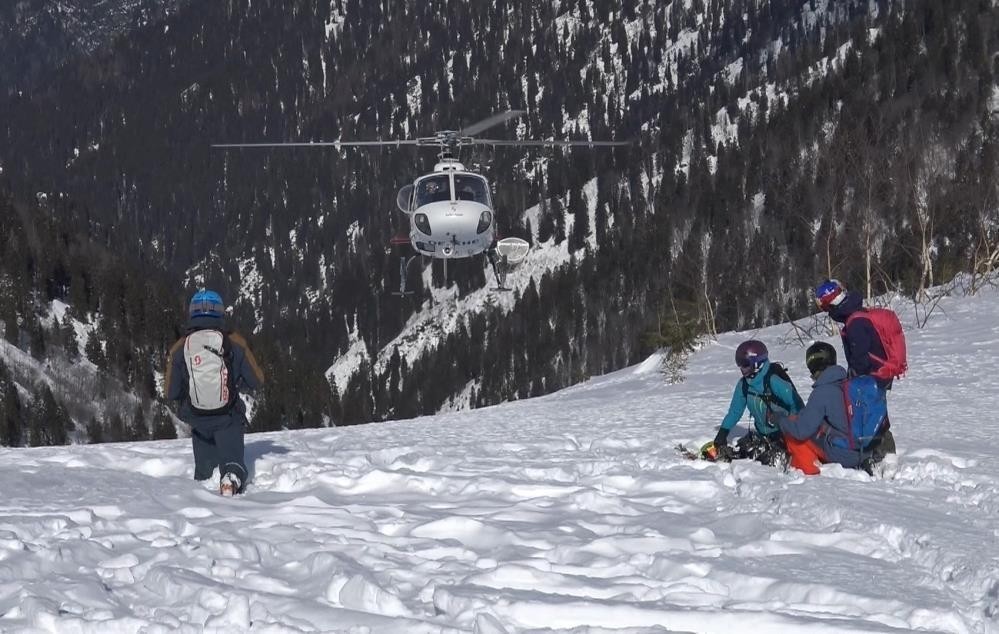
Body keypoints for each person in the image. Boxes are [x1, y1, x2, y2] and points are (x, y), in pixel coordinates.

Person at [165, 289, 264, 495]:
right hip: (228, 417)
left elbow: (171, 392)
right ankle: (231, 479)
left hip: (197, 418)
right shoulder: (234, 343)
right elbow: (257, 380)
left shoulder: (180, 347)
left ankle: (202, 490)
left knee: (204, 472)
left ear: (192, 313)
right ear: (220, 313)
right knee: (232, 462)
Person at [774, 341, 890, 475]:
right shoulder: (849, 383)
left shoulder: (822, 391)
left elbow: (801, 431)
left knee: (793, 426)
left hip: (843, 455)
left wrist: (779, 419)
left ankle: (808, 471)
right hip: (866, 450)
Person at [814, 279, 897, 454]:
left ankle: (873, 450)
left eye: (823, 306)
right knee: (873, 412)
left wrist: (855, 375)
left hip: (873, 375)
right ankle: (877, 449)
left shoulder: (855, 322)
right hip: (880, 372)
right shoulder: (856, 314)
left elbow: (861, 355)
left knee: (868, 414)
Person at [709, 340, 803, 465]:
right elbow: (735, 411)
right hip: (762, 435)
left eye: (746, 365)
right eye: (740, 365)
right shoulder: (744, 385)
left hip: (784, 435)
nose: (742, 370)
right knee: (745, 453)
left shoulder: (773, 381)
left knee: (765, 462)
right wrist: (723, 433)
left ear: (758, 363)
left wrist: (791, 430)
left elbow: (797, 406)